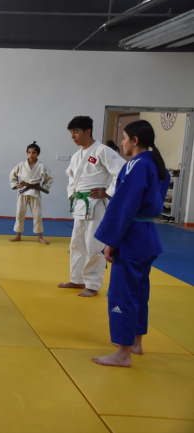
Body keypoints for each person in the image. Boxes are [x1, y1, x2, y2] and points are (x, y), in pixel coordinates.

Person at [92, 120, 170, 367]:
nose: (122, 142)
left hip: (131, 236)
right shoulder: (157, 165)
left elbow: (124, 205)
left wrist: (111, 241)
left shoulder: (136, 166)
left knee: (122, 293)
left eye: (125, 138)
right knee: (139, 292)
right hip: (148, 236)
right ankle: (136, 343)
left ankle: (123, 353)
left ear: (135, 140)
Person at [58, 116, 125, 297]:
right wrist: (72, 193)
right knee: (77, 243)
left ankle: (93, 284)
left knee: (94, 244)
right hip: (80, 204)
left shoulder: (103, 151)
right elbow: (71, 178)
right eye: (71, 132)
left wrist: (108, 192)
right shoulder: (76, 156)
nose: (73, 136)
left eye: (76, 132)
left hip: (96, 204)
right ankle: (77, 279)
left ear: (88, 131)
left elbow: (122, 172)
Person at [9, 141, 53, 244]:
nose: (31, 154)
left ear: (38, 154)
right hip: (23, 191)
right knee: (20, 213)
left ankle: (40, 237)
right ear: (27, 153)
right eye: (29, 152)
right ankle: (18, 235)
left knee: (37, 214)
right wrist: (16, 185)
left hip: (35, 191)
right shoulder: (21, 165)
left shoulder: (42, 166)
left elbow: (49, 178)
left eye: (33, 152)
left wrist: (43, 187)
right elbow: (12, 175)